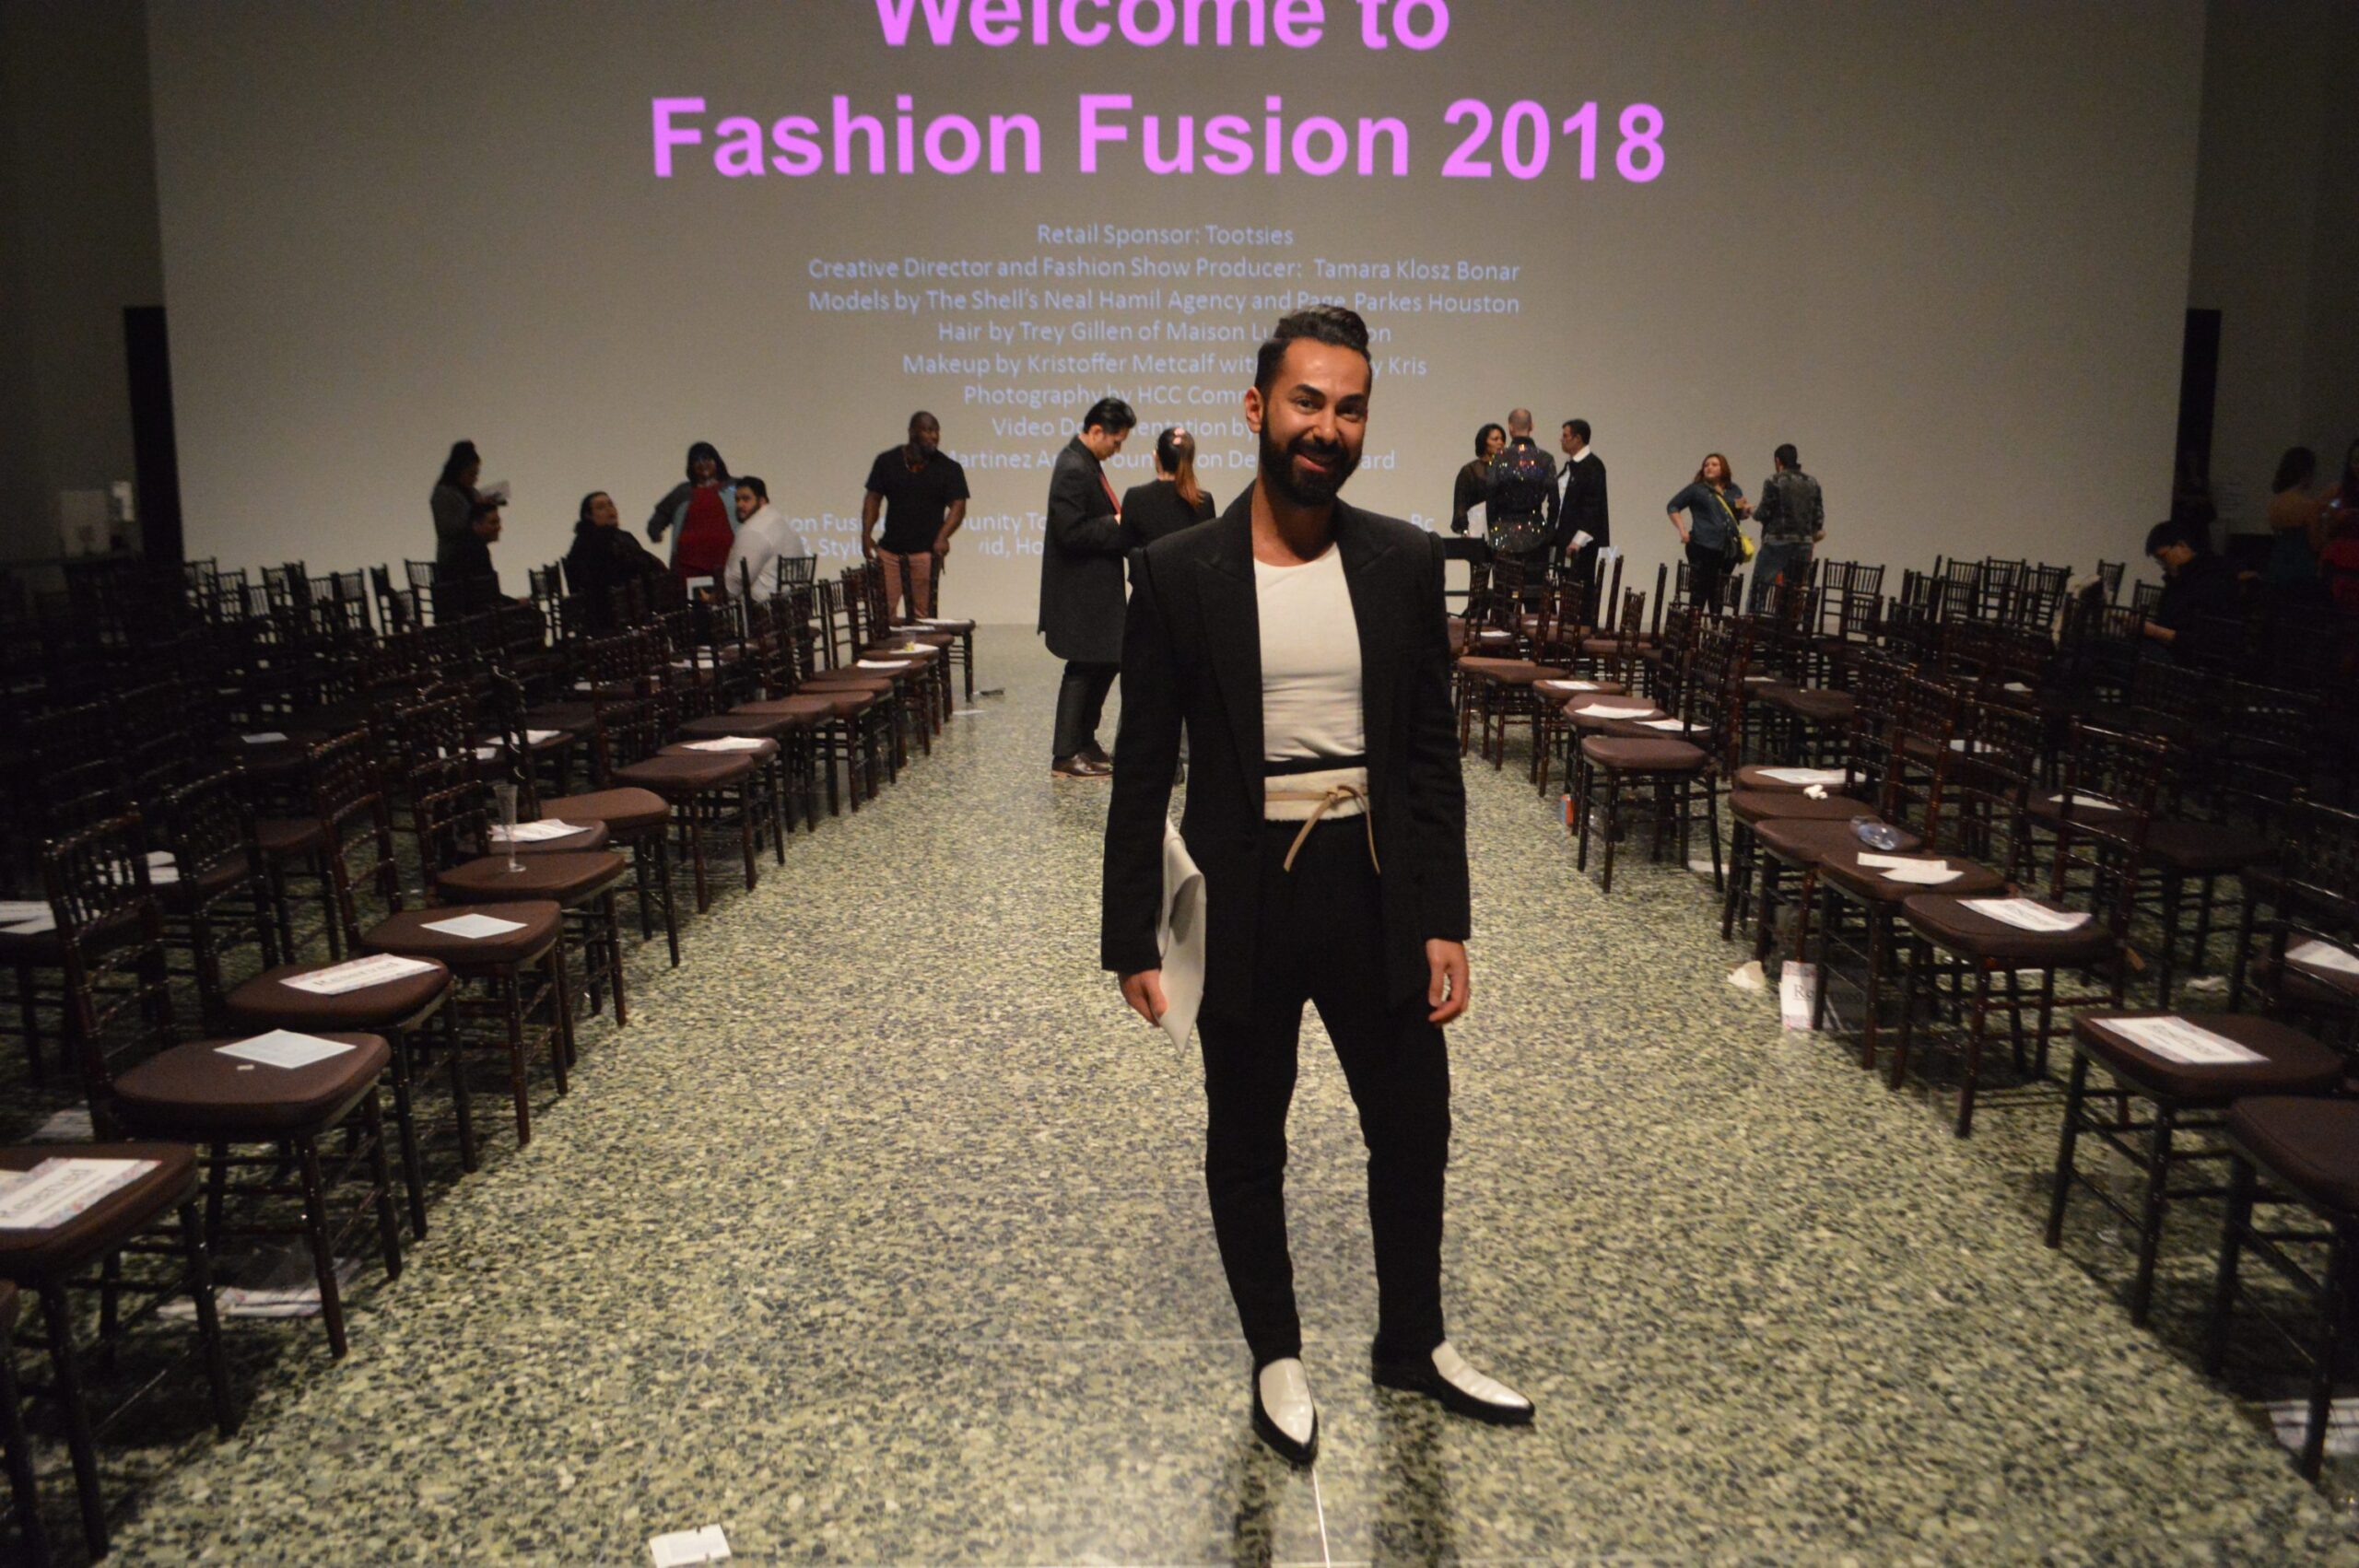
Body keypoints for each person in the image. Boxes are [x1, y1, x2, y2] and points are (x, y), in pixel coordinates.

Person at [1101, 304, 1532, 1469]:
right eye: (1306, 401)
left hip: (1372, 881)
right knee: (1248, 1132)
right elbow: (1141, 767)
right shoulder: (1177, 572)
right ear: (1258, 408)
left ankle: (1413, 1341)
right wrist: (1130, 935)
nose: (1325, 427)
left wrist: (1446, 916)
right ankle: (1276, 1353)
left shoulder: (1401, 560)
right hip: (1242, 889)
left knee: (1414, 1123)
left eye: (1348, 408)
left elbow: (1429, 754)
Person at [1039, 396, 1137, 778]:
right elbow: (1070, 532)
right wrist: (1116, 522)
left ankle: (1085, 740)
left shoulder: (1086, 463)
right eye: (1116, 441)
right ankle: (1065, 753)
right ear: (1097, 431)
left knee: (1108, 660)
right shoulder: (1073, 467)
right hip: (1080, 591)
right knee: (1083, 666)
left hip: (1095, 590)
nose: (1118, 449)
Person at [863, 411, 970, 620]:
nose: (934, 436)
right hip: (890, 552)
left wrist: (943, 536)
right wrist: (866, 534)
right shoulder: (887, 461)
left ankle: (920, 642)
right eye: (927, 431)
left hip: (925, 553)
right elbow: (873, 498)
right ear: (912, 432)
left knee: (923, 617)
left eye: (936, 431)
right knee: (884, 615)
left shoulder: (949, 468)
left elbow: (959, 506)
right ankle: (890, 642)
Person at [564, 489, 668, 630]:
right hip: (611, 610)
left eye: (611, 505)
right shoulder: (588, 544)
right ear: (588, 516)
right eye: (601, 507)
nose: (610, 510)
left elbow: (645, 561)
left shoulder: (622, 537)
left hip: (632, 602)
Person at [2141, 519, 2240, 664]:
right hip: (2172, 652)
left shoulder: (2215, 579)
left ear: (2182, 546)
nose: (2163, 565)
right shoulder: (2179, 577)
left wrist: (2154, 631)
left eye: (2163, 557)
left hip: (2194, 662)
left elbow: (2209, 641)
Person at [645, 441, 738, 585]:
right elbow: (661, 514)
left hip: (730, 558)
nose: (702, 464)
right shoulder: (682, 492)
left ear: (716, 461)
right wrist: (655, 531)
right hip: (688, 564)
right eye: (696, 460)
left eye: (706, 458)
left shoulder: (735, 486)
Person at [429, 439, 506, 616]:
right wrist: (475, 513)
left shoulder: (471, 492)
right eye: (471, 474)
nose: (475, 479)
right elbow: (446, 527)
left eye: (476, 474)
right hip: (455, 559)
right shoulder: (443, 494)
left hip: (473, 551)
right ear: (459, 471)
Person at [1665, 453, 1749, 610]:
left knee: (1718, 593)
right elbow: (1673, 506)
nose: (1709, 467)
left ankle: (1714, 621)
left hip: (1727, 549)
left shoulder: (1733, 490)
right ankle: (1694, 621)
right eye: (1706, 465)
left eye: (1714, 464)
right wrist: (1682, 530)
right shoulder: (1696, 489)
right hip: (1703, 546)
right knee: (1700, 590)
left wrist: (1746, 511)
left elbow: (1739, 513)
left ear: (1723, 468)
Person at [1747, 443, 1825, 614]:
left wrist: (1750, 510)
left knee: (1760, 588)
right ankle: (1786, 626)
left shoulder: (1774, 480)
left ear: (1777, 461)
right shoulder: (1812, 483)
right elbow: (1818, 518)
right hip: (1803, 544)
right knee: (1793, 592)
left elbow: (1763, 513)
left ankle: (1753, 623)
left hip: (1777, 543)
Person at [1483, 408, 1557, 579]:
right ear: (1532, 426)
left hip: (1503, 534)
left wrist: (1494, 530)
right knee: (1534, 591)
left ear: (1510, 428)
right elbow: (1554, 501)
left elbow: (1491, 499)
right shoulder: (1545, 459)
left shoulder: (1499, 458)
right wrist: (1549, 532)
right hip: (1536, 532)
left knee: (1504, 591)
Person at [1121, 427, 1217, 555]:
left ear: (1156, 456)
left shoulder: (1135, 498)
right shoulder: (1203, 501)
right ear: (1190, 459)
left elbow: (1127, 548)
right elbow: (1209, 549)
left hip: (1149, 568)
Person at [717, 476, 805, 602]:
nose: (740, 504)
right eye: (737, 500)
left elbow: (736, 582)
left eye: (746, 499)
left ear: (762, 500)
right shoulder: (780, 521)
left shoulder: (755, 529)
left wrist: (713, 598)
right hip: (794, 604)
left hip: (765, 607)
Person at [2261, 447, 2324, 603]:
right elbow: (2315, 544)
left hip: (2277, 566)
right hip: (2301, 570)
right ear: (2306, 473)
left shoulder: (2275, 503)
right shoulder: (2308, 505)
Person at [1555, 418, 1608, 591]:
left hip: (1580, 544)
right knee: (1564, 586)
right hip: (1565, 537)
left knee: (1579, 590)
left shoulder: (1593, 466)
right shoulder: (1571, 465)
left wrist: (1578, 540)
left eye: (1565, 436)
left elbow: (1593, 506)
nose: (1561, 439)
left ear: (1577, 439)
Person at [1449, 423, 1505, 537]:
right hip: (1477, 528)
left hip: (1503, 530)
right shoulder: (1470, 471)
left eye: (1502, 439)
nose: (1500, 443)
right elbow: (1460, 504)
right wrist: (1465, 530)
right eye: (1495, 439)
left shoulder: (1506, 470)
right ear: (1484, 442)